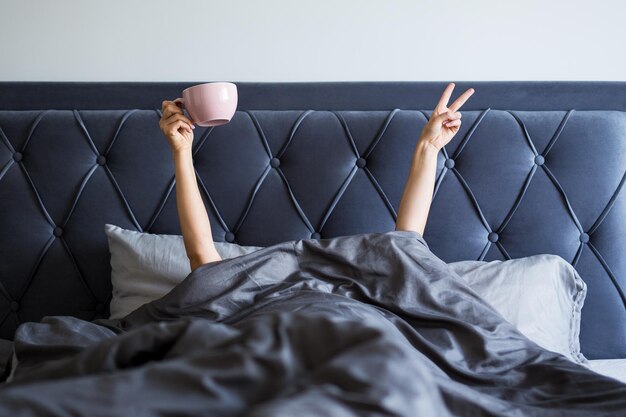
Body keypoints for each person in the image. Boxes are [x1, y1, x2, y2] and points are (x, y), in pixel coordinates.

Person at [159, 82, 475, 271]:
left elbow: (406, 247)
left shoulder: (367, 292)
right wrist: (181, 151)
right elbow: (202, 257)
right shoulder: (251, 291)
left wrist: (429, 148)